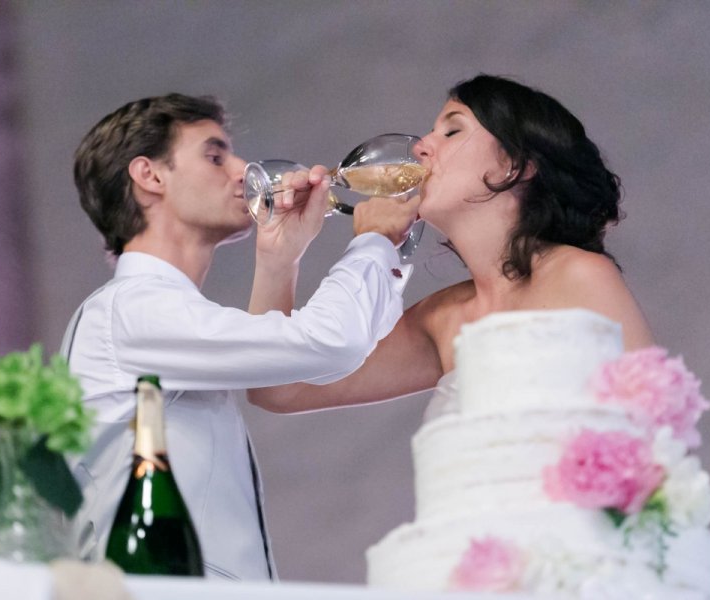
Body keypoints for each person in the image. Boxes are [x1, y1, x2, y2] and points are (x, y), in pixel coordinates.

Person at [60, 93, 419, 581]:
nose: (242, 169)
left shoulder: (148, 313)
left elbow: (280, 374)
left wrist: (281, 259)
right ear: (150, 176)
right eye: (214, 155)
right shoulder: (130, 310)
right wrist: (373, 242)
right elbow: (329, 342)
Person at [248, 73, 654, 415]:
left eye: (452, 129)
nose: (422, 145)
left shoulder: (578, 276)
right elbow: (277, 387)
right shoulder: (442, 317)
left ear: (515, 165)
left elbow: (657, 425)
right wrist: (279, 258)